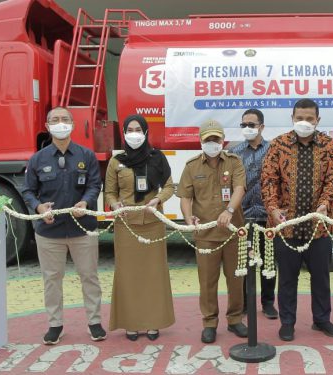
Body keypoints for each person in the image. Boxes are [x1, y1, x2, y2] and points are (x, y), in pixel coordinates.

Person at [261, 98, 333, 342]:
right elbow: (268, 180)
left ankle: (322, 319)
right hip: (286, 226)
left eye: (309, 118)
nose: (304, 122)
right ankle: (287, 322)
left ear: (318, 120)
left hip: (319, 226)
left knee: (321, 276)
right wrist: (273, 209)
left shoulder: (329, 145)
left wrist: (325, 204)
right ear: (292, 118)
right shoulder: (279, 145)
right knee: (287, 279)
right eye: (300, 118)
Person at [21, 107, 105, 345]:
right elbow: (28, 190)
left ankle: (95, 322)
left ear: (73, 125)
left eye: (65, 119)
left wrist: (86, 201)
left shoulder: (86, 156)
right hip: (49, 231)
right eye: (55, 120)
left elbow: (94, 185)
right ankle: (55, 324)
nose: (61, 123)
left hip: (83, 228)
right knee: (52, 278)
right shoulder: (37, 159)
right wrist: (38, 208)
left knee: (89, 276)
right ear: (47, 126)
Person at [176, 119, 248, 343]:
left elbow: (239, 188)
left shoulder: (234, 162)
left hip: (232, 233)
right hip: (205, 234)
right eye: (208, 139)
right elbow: (186, 197)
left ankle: (235, 319)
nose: (212, 142)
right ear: (201, 141)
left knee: (236, 280)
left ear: (222, 139)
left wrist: (229, 210)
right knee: (207, 281)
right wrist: (188, 218)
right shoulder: (191, 166)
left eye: (216, 138)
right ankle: (209, 322)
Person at [104, 115, 175, 341]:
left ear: (145, 133)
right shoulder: (117, 161)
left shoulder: (157, 157)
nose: (134, 133)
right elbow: (109, 192)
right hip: (126, 225)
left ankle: (154, 322)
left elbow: (170, 186)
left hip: (153, 223)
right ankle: (131, 323)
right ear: (124, 133)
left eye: (138, 129)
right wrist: (115, 205)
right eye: (130, 129)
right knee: (128, 275)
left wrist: (158, 199)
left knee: (154, 274)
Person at [228, 108, 278, 319]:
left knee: (269, 261)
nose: (247, 129)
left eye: (252, 125)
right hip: (244, 216)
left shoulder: (273, 150)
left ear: (262, 127)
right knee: (245, 262)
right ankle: (246, 303)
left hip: (268, 217)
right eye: (244, 125)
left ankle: (268, 303)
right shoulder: (235, 152)